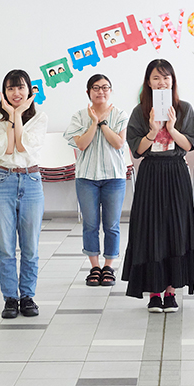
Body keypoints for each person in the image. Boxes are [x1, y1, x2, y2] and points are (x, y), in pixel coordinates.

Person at [121, 59, 194, 313]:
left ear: (173, 81)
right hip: (150, 173)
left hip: (176, 172)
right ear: (148, 82)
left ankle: (171, 290)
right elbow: (136, 150)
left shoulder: (185, 108)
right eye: (156, 78)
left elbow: (188, 145)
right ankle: (154, 292)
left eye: (166, 78)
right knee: (150, 229)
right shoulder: (139, 111)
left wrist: (170, 128)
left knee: (176, 229)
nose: (161, 82)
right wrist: (152, 130)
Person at [0, 70, 47, 319]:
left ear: (30, 90)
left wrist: (19, 115)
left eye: (21, 87)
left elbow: (23, 146)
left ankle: (28, 296)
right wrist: (12, 116)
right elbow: (8, 148)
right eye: (11, 88)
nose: (16, 93)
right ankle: (10, 298)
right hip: (2, 180)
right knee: (5, 246)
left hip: (31, 180)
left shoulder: (40, 117)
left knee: (30, 246)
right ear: (4, 92)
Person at [64, 74, 129, 287]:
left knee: (111, 224)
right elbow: (81, 144)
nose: (101, 91)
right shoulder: (79, 116)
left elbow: (119, 143)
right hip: (86, 177)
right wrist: (93, 123)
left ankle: (109, 266)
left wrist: (102, 124)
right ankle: (94, 266)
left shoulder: (120, 114)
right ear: (88, 92)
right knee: (90, 224)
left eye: (105, 87)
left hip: (114, 177)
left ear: (110, 91)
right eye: (96, 88)